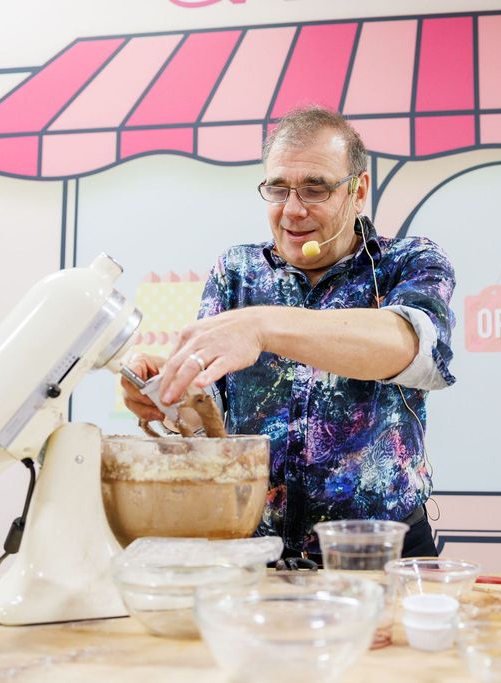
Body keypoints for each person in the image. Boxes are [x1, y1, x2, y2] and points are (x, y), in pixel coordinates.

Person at [122, 105, 456, 561]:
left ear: (358, 191)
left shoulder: (409, 262)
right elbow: (208, 422)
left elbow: (413, 346)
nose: (293, 211)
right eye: (278, 189)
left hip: (385, 549)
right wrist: (174, 394)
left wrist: (262, 327)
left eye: (315, 189)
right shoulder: (236, 270)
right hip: (256, 549)